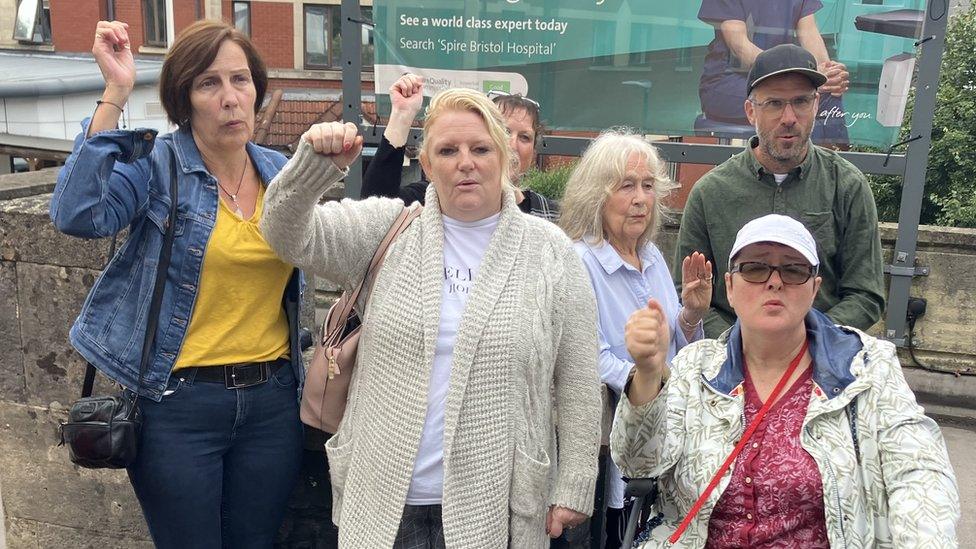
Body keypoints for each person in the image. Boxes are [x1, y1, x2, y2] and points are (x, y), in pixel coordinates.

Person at [260, 88, 602, 548]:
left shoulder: (551, 252)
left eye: (480, 148)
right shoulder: (388, 228)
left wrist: (576, 480)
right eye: (448, 150)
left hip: (495, 504)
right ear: (426, 164)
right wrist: (315, 166)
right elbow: (285, 233)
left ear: (505, 157)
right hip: (384, 504)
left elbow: (580, 375)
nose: (466, 162)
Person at [49, 20, 303, 547]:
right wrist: (116, 90)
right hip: (179, 405)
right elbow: (78, 214)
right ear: (184, 98)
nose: (231, 98)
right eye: (209, 84)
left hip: (273, 402)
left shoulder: (280, 172)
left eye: (240, 80)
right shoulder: (157, 165)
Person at [614, 213, 960, 548]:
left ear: (814, 289)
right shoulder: (696, 367)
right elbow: (638, 465)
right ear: (730, 287)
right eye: (754, 267)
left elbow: (919, 473)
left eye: (794, 270)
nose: (774, 281)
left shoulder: (868, 367)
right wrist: (648, 372)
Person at [559, 130, 712, 548]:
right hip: (617, 440)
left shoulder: (652, 255)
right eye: (627, 185)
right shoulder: (579, 261)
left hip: (673, 428)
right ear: (597, 195)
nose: (641, 198)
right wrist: (650, 382)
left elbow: (674, 346)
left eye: (648, 186)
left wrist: (692, 315)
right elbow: (588, 357)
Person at [675, 44, 885, 338]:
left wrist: (808, 343)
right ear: (751, 112)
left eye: (800, 101)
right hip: (729, 361)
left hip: (822, 361)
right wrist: (737, 347)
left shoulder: (847, 186)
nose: (789, 117)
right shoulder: (710, 193)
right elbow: (687, 290)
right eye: (774, 103)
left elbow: (865, 294)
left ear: (815, 106)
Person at [362, 73, 558, 220]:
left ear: (533, 153)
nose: (512, 144)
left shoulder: (551, 216)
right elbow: (376, 209)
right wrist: (401, 116)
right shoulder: (434, 199)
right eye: (504, 132)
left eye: (525, 137)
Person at [697, 0, 851, 145]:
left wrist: (827, 74)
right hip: (730, 82)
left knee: (828, 93)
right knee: (796, 99)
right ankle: (803, 167)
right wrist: (789, 72)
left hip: (784, 79)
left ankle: (834, 168)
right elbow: (740, 48)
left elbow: (809, 32)